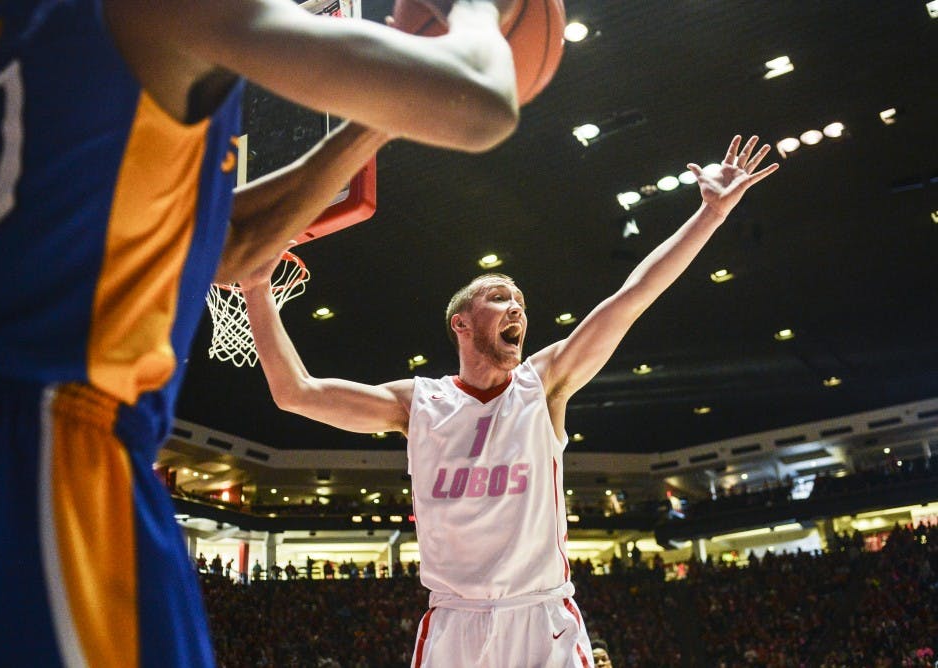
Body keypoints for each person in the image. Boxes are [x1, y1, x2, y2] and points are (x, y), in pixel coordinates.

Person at [0, 0, 522, 665]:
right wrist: (479, 12)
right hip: (37, 457)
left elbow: (229, 247)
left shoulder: (16, 36)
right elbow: (480, 101)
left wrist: (378, 120)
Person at [240, 135, 778, 666]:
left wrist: (709, 215)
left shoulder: (543, 384)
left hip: (540, 618)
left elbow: (632, 298)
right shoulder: (418, 403)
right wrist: (257, 289)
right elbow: (295, 393)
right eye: (499, 298)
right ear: (462, 324)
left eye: (520, 301)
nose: (517, 307)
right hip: (454, 622)